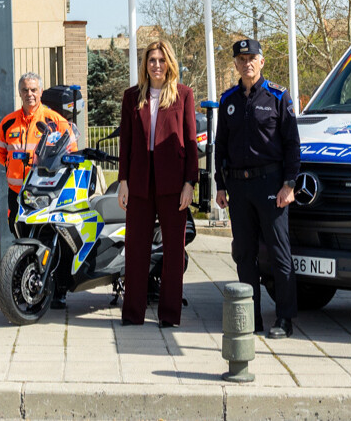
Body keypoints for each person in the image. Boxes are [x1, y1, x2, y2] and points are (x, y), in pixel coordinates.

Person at [215, 38, 301, 339]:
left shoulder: (278, 96)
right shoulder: (228, 100)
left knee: (279, 253)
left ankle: (285, 318)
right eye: (241, 59)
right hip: (238, 186)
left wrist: (289, 184)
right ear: (236, 65)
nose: (247, 63)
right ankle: (251, 316)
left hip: (271, 184)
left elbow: (292, 144)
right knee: (244, 253)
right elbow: (220, 146)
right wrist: (220, 185)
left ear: (261, 62)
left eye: (252, 58)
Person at [117, 40, 198, 328]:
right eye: (152, 60)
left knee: (173, 252)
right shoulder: (131, 97)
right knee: (136, 248)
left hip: (172, 183)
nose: (157, 65)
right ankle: (133, 313)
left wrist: (190, 182)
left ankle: (169, 314)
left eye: (162, 60)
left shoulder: (183, 96)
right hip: (139, 182)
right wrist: (122, 181)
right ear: (145, 65)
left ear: (170, 64)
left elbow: (190, 143)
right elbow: (124, 143)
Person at [0, 72, 75, 304]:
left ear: (41, 92)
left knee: (49, 240)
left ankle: (56, 291)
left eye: (34, 90)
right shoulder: (8, 122)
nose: (29, 94)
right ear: (19, 92)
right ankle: (26, 287)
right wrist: (14, 168)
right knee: (21, 239)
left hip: (46, 194)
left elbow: (71, 151)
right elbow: (0, 153)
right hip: (17, 195)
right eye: (25, 90)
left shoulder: (55, 120)